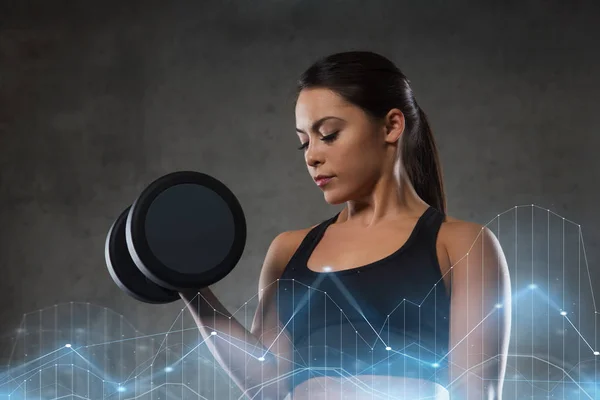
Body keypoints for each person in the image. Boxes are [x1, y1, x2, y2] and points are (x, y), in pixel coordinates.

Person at [181, 51, 512, 400]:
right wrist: (190, 286)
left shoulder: (461, 245)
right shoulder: (288, 251)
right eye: (304, 142)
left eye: (328, 134)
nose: (311, 156)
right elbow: (269, 386)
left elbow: (476, 391)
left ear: (391, 126)